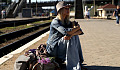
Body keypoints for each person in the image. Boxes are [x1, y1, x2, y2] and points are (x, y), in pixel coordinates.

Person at [46, 1, 86, 70]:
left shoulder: (67, 21)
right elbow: (65, 32)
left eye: (68, 8)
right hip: (53, 48)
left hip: (61, 45)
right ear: (60, 10)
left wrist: (71, 34)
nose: (68, 10)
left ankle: (77, 62)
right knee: (70, 38)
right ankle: (73, 66)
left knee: (73, 36)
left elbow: (80, 32)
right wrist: (73, 31)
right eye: (66, 8)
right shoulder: (55, 21)